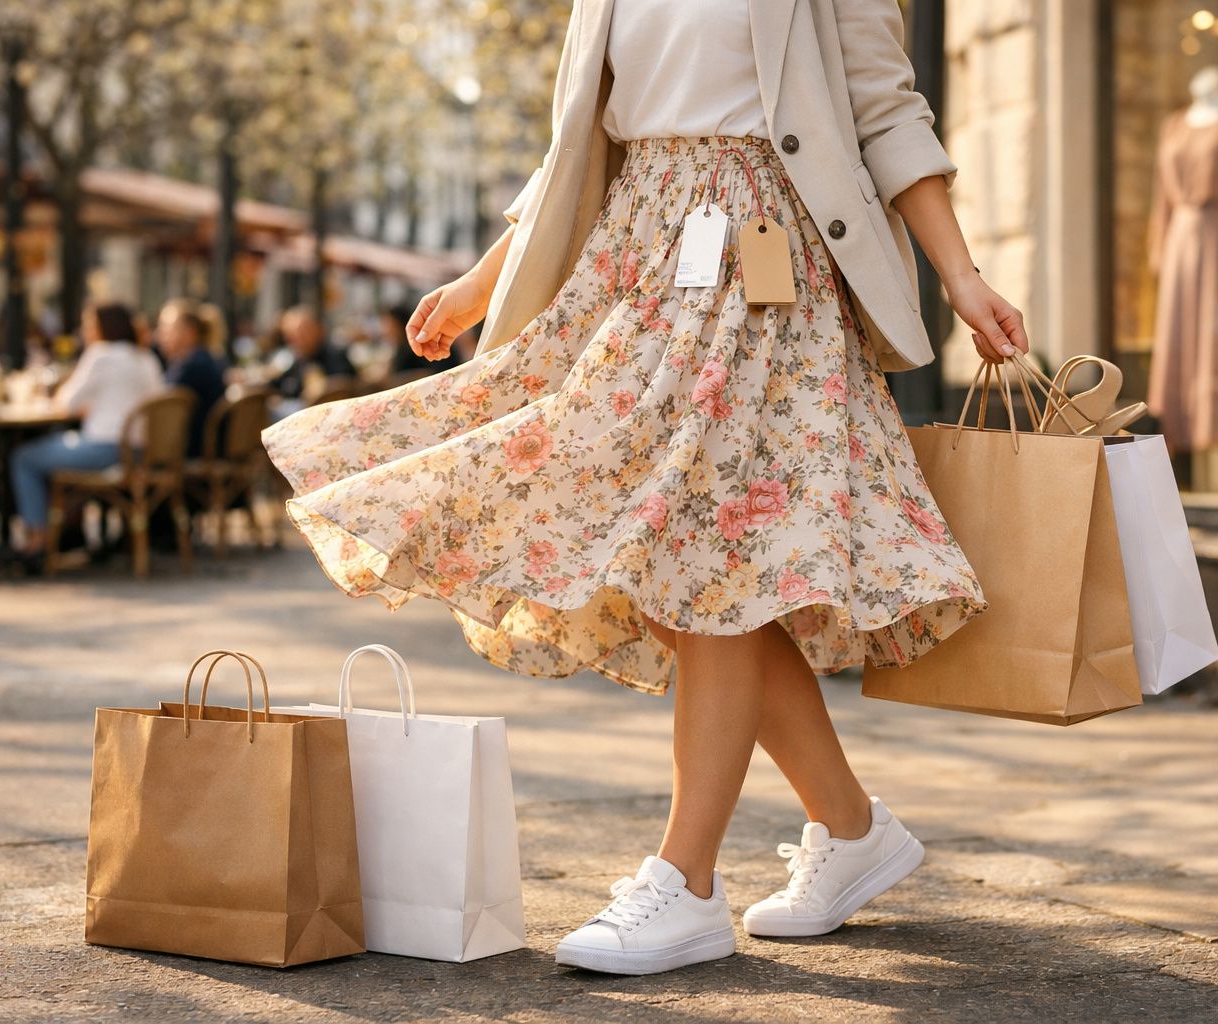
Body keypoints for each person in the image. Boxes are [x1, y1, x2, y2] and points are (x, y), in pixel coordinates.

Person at [262, 0, 1028, 976]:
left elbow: (886, 111)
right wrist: (478, 284)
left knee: (701, 567)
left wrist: (960, 277)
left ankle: (688, 880)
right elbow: (578, 144)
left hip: (762, 273)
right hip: (631, 265)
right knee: (667, 568)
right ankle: (849, 825)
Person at [9, 302, 164, 567]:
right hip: (142, 452)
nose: (84, 332)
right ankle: (67, 533)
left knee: (24, 458)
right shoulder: (146, 358)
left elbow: (66, 404)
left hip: (106, 450)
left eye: (88, 325)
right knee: (52, 451)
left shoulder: (100, 354)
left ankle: (38, 539)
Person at [155, 300, 226, 458]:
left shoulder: (192, 366)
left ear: (190, 332)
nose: (160, 335)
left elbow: (160, 407)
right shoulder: (201, 359)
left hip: (192, 451)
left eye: (166, 328)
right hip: (206, 448)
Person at [266, 305, 355, 406]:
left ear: (316, 329)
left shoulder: (334, 354)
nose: (295, 340)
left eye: (301, 333)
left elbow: (347, 384)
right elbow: (281, 385)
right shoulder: (297, 359)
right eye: (290, 335)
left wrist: (319, 388)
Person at [384, 303, 461, 378]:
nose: (387, 330)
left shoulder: (422, 343)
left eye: (390, 324)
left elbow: (433, 372)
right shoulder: (401, 348)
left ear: (399, 323)